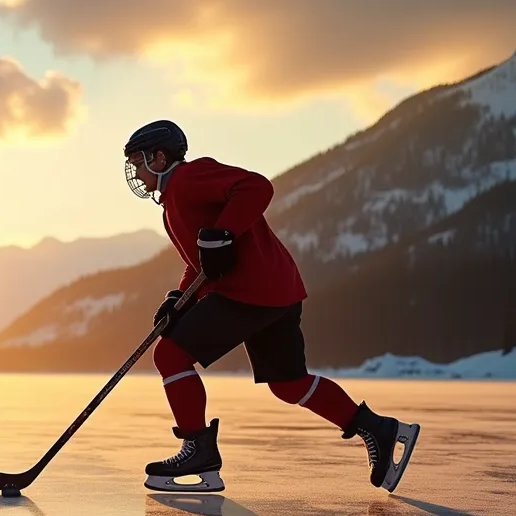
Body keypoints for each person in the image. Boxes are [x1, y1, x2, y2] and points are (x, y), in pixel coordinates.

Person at [122, 120, 420, 493]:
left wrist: (225, 232)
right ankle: (379, 428)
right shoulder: (173, 201)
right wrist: (178, 300)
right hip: (275, 291)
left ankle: (199, 451)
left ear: (159, 157)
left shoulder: (188, 178)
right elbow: (204, 261)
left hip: (249, 292)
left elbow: (257, 187)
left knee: (170, 355)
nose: (135, 171)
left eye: (138, 161)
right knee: (288, 383)